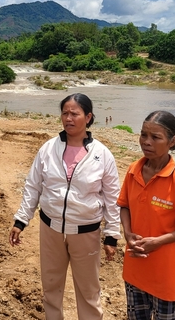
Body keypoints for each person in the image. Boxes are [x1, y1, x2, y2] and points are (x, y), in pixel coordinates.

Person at [9, 93, 121, 320]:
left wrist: (112, 235)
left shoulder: (102, 154)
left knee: (89, 292)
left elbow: (112, 198)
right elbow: (33, 186)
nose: (68, 118)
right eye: (65, 113)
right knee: (51, 287)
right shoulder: (48, 148)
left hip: (86, 232)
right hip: (51, 229)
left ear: (88, 117)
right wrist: (21, 220)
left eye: (75, 113)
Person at [117, 111, 175, 320]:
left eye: (155, 137)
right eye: (143, 135)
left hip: (165, 274)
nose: (146, 142)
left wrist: (159, 242)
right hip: (135, 267)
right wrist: (128, 233)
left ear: (172, 141)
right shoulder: (134, 170)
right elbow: (125, 206)